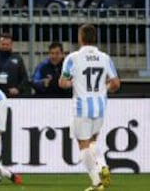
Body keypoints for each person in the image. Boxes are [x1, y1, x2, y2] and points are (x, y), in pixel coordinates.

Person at [59, 24, 120, 191]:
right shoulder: (105, 57)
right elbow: (115, 83)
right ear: (95, 38)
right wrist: (103, 90)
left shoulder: (73, 58)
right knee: (93, 140)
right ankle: (102, 165)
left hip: (81, 107)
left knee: (83, 144)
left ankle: (96, 182)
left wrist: (73, 82)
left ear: (80, 37)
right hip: (100, 107)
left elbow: (62, 83)